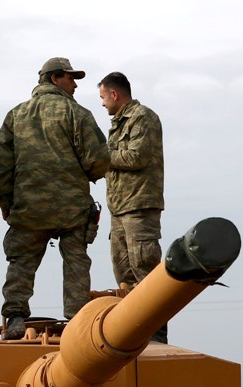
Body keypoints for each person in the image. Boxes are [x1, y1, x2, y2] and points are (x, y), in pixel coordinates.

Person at [0, 57, 110, 340]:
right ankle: (78, 323)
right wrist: (85, 174)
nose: (75, 83)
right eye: (70, 77)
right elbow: (99, 159)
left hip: (29, 209)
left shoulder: (16, 115)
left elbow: (0, 167)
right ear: (54, 79)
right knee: (76, 262)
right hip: (72, 208)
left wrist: (6, 204)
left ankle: (16, 319)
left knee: (21, 263)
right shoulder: (77, 114)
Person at [98, 71, 166, 342]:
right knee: (124, 273)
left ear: (115, 94)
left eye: (103, 97)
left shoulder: (142, 117)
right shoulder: (117, 123)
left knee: (146, 272)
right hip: (119, 208)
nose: (102, 103)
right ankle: (136, 334)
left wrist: (102, 156)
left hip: (139, 206)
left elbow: (137, 156)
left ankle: (157, 336)